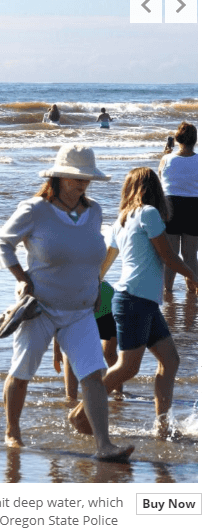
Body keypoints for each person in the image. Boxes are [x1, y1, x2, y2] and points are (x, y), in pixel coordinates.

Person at [0, 144, 134, 461]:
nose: (82, 184)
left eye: (86, 178)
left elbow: (90, 254)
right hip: (40, 308)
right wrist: (21, 278)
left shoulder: (94, 210)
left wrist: (97, 283)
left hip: (81, 310)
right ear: (58, 177)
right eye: (75, 178)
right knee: (21, 372)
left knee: (93, 376)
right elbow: (4, 243)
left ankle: (104, 445)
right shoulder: (35, 209)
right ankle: (12, 432)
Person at [71, 168, 197, 438]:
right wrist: (194, 275)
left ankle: (162, 426)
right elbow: (168, 255)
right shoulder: (148, 214)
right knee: (129, 366)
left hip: (141, 301)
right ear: (154, 189)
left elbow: (104, 263)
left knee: (170, 360)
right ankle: (82, 413)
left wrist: (92, 284)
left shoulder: (122, 220)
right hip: (134, 301)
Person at [53, 280, 121, 401]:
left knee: (109, 353)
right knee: (70, 351)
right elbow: (58, 322)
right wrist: (56, 351)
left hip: (106, 305)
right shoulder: (62, 288)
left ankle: (118, 394)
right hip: (78, 306)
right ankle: (71, 398)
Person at [158, 121, 197, 294]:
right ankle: (195, 289)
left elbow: (160, 177)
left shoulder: (166, 159)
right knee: (190, 255)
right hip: (194, 205)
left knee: (171, 255)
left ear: (177, 139)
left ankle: (168, 291)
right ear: (194, 140)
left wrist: (165, 154)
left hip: (170, 205)